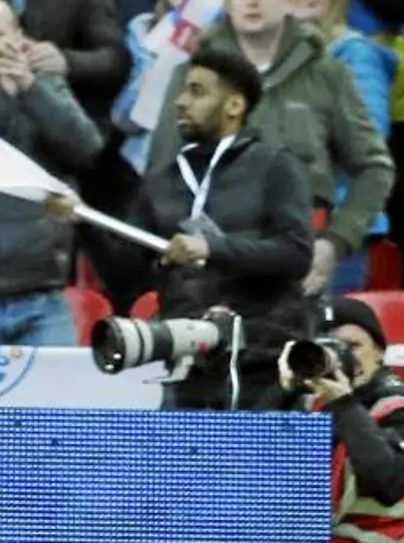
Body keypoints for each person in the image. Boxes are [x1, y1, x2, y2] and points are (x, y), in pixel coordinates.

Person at [53, 44, 314, 409]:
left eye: (197, 92)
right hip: (186, 360)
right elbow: (124, 276)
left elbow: (296, 253)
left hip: (262, 361)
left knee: (254, 467)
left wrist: (212, 250)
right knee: (179, 466)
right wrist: (83, 222)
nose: (180, 102)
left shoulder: (274, 166)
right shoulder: (162, 180)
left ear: (234, 106)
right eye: (181, 91)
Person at [279, 296, 404, 541]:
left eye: (353, 346)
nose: (343, 357)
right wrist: (285, 391)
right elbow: (251, 474)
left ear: (380, 352)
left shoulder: (399, 407)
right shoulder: (309, 402)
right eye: (331, 347)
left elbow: (389, 484)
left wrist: (344, 404)